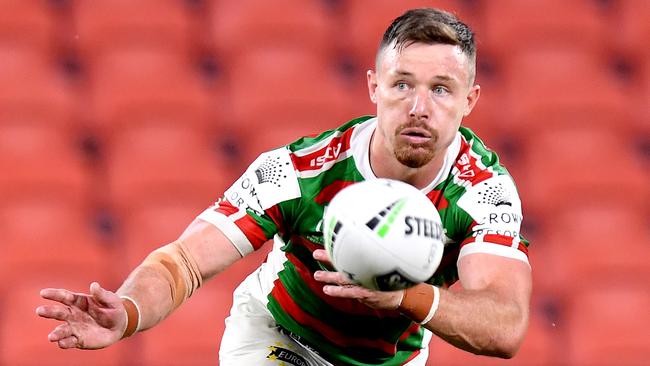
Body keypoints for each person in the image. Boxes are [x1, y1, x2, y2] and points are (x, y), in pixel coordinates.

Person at [36, 8, 532, 366]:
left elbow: (504, 326)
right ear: (373, 88)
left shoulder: (484, 192)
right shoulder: (299, 172)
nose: (419, 106)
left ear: (471, 101)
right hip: (279, 339)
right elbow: (185, 261)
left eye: (441, 89)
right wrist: (128, 311)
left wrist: (407, 299)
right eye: (402, 84)